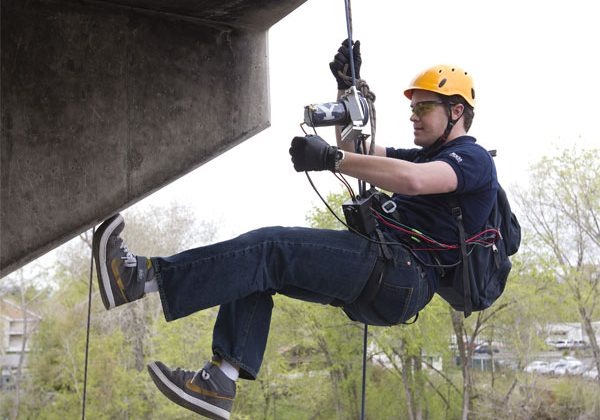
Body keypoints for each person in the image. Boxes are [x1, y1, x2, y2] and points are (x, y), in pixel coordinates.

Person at [92, 39, 497, 419]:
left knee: (269, 248)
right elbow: (359, 151)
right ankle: (219, 381)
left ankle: (137, 278)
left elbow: (413, 180)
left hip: (401, 272)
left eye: (423, 108)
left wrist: (332, 159)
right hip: (391, 278)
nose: (413, 116)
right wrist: (348, 92)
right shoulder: (425, 155)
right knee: (258, 271)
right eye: (412, 109)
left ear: (456, 112)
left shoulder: (472, 158)